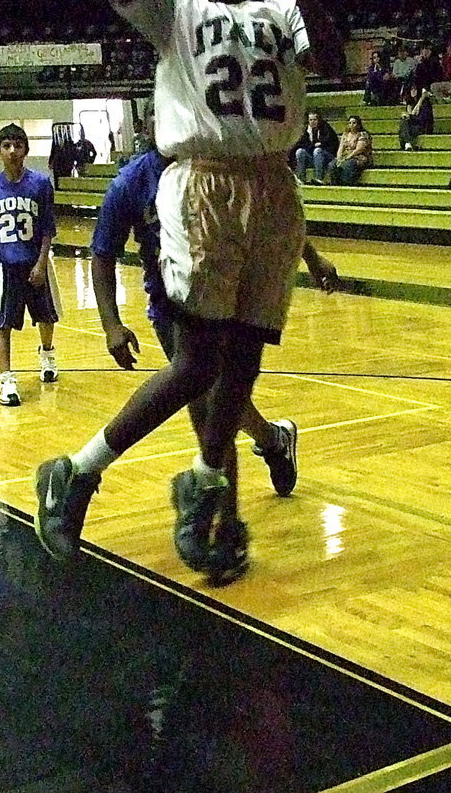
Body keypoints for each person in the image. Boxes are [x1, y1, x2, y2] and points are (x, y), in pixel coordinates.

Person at [35, 0, 343, 579]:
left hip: (274, 186)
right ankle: (76, 470)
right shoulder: (177, 9)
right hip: (203, 184)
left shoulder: (284, 13)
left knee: (243, 362)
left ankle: (207, 491)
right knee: (199, 359)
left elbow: (331, 56)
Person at [78, 142, 340, 581]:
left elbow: (262, 214)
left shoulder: (219, 167)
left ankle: (226, 525)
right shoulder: (130, 183)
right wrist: (111, 324)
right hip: (173, 310)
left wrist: (311, 258)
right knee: (215, 407)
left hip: (229, 297)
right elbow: (102, 255)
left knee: (216, 408)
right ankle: (272, 444)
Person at [0, 123, 61, 406]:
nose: (12, 151)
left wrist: (41, 263)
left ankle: (47, 355)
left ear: (26, 149)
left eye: (18, 145)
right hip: (6, 264)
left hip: (35, 261)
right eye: (6, 146)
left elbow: (48, 228)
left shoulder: (40, 184)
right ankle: (6, 379)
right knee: (2, 322)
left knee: (46, 316)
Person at [291, 109, 339, 183]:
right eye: (310, 120)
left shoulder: (326, 128)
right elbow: (300, 144)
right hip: (312, 157)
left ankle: (319, 178)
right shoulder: (305, 131)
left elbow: (332, 143)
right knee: (300, 152)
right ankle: (301, 179)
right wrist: (312, 145)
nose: (312, 122)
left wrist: (321, 144)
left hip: (326, 156)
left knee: (317, 151)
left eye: (315, 119)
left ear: (318, 120)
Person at [328, 114, 372, 184]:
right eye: (350, 123)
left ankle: (346, 183)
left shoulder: (363, 134)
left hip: (358, 157)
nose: (351, 125)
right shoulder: (345, 134)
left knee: (349, 164)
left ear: (358, 124)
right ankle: (335, 184)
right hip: (345, 155)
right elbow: (341, 147)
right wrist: (339, 157)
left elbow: (359, 149)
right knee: (332, 164)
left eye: (354, 123)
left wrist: (348, 157)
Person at [398, 82, 434, 149]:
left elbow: (423, 119)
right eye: (411, 89)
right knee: (404, 122)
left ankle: (407, 143)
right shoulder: (410, 104)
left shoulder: (425, 103)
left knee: (404, 125)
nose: (413, 91)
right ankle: (407, 143)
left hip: (423, 126)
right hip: (415, 125)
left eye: (415, 89)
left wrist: (410, 116)